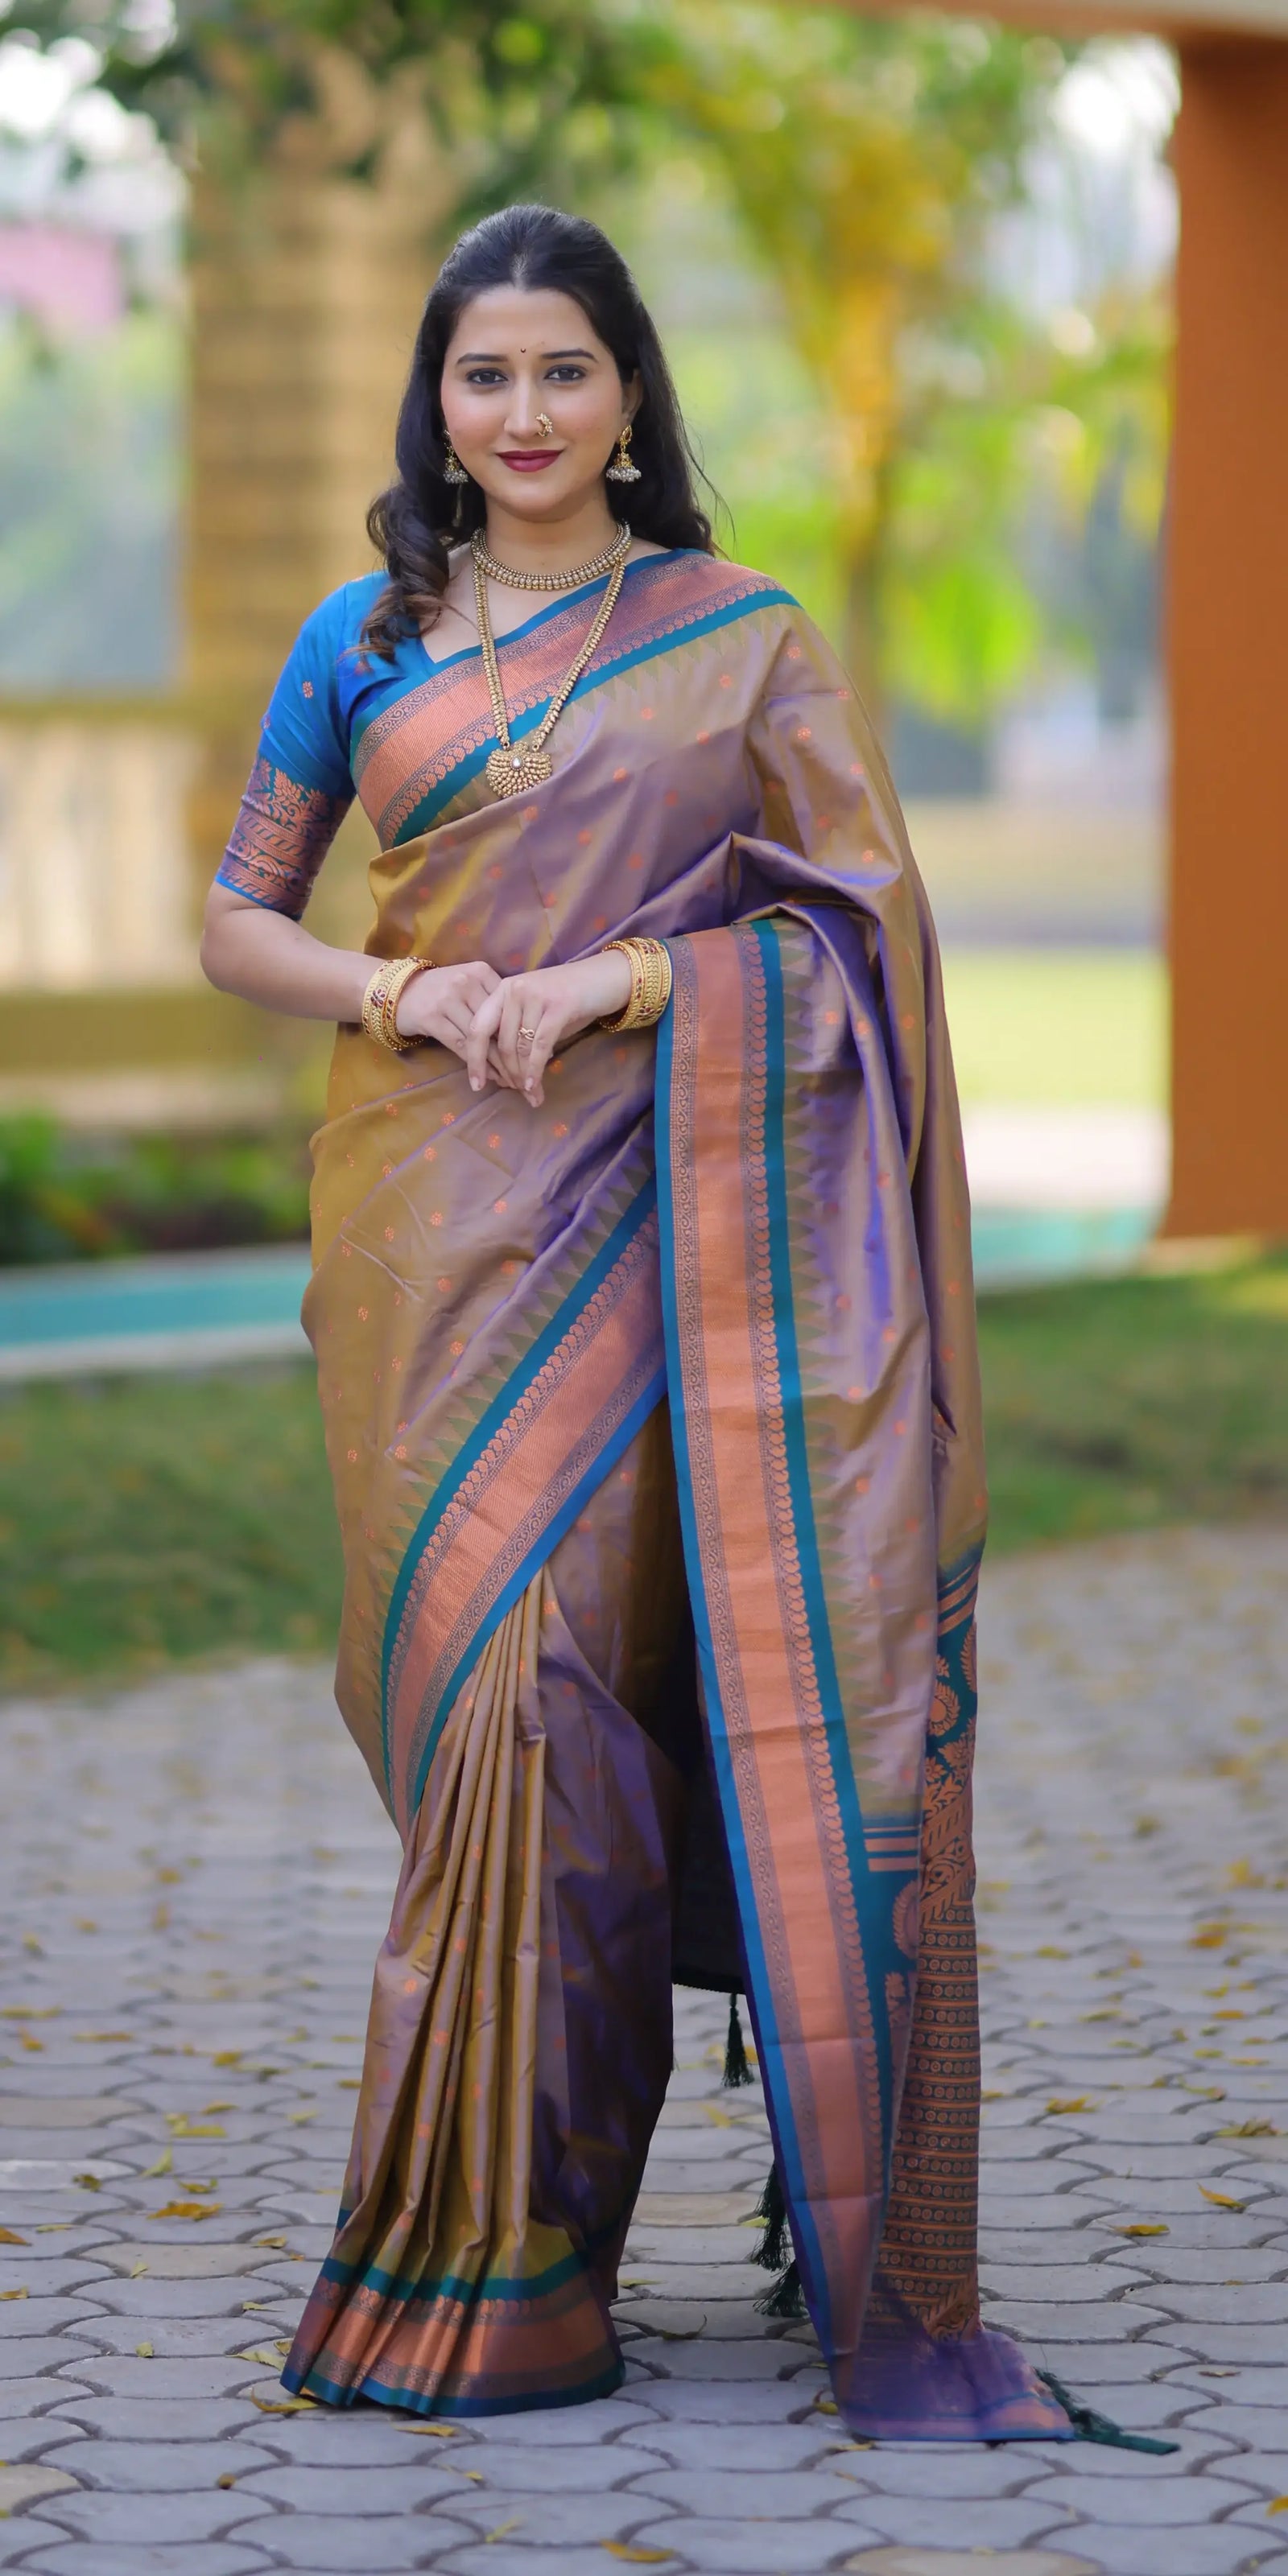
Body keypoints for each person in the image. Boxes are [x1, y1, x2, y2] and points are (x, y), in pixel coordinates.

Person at [201, 201, 1068, 2443]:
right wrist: (407, 985)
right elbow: (239, 922)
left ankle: (520, 2260)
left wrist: (638, 975)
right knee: (469, 1702)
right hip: (424, 1230)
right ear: (439, 395)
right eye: (482, 376)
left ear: (628, 396)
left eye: (562, 373)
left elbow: (860, 946)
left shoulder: (742, 642)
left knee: (562, 1716)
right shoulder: (364, 632)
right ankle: (450, 2238)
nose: (521, 415)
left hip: (667, 1224)